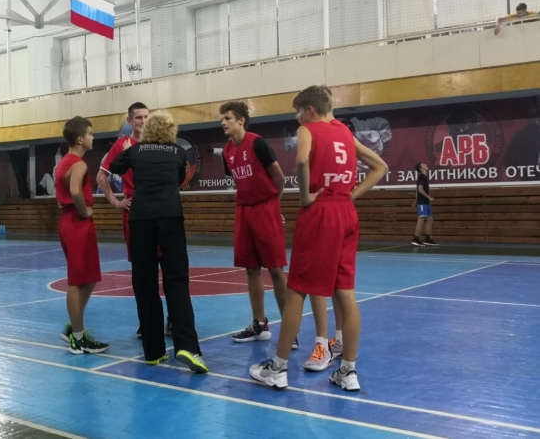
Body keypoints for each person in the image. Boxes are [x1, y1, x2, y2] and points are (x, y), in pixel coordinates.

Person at [249, 85, 388, 392]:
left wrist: (305, 197)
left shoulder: (308, 130)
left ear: (309, 110)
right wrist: (350, 196)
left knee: (297, 290)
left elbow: (301, 161)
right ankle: (348, 371)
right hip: (346, 212)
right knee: (345, 292)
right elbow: (381, 166)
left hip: (320, 212)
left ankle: (278, 368)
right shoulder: (345, 133)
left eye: (298, 111)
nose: (297, 117)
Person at [109, 112, 207, 374]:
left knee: (145, 283)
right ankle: (187, 347)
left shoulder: (135, 150)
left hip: (140, 218)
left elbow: (115, 167)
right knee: (177, 280)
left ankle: (153, 352)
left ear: (148, 129)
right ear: (171, 131)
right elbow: (178, 179)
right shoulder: (178, 152)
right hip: (170, 216)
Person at [218, 101, 297, 349]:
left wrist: (274, 206)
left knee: (275, 270)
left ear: (241, 120)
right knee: (251, 269)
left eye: (228, 118)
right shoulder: (227, 152)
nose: (223, 122)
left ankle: (290, 330)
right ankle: (259, 324)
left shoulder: (258, 144)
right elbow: (239, 182)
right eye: (222, 119)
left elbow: (279, 178)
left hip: (266, 208)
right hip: (244, 211)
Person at [97, 102, 171, 339]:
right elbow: (101, 176)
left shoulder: (159, 144)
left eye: (147, 116)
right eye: (138, 117)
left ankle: (172, 318)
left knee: (168, 267)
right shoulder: (122, 146)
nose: (143, 121)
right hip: (136, 211)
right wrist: (115, 201)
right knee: (143, 271)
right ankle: (147, 320)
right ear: (130, 121)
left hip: (160, 210)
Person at [56, 117, 109, 355]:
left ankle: (74, 326)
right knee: (77, 281)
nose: (93, 137)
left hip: (69, 222)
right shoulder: (78, 164)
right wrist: (84, 210)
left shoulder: (64, 162)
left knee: (89, 277)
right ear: (80, 139)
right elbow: (75, 191)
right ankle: (78, 338)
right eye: (90, 133)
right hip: (77, 223)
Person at [411, 162, 438, 247]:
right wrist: (429, 197)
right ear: (420, 169)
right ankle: (416, 239)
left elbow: (417, 190)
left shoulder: (424, 177)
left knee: (430, 219)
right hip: (423, 202)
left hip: (426, 202)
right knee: (421, 219)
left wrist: (416, 200)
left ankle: (427, 238)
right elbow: (420, 189)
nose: (425, 165)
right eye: (423, 165)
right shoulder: (421, 176)